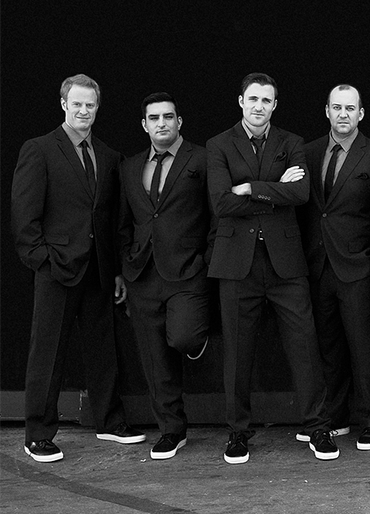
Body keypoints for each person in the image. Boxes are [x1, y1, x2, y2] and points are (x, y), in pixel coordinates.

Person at [12, 74, 144, 463]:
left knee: (104, 350)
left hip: (99, 271)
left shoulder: (108, 155)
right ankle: (38, 434)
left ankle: (109, 421)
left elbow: (112, 219)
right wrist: (43, 260)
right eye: (77, 104)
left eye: (90, 105)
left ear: (97, 108)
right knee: (47, 353)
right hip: (56, 269)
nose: (83, 111)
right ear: (63, 104)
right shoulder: (39, 149)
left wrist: (116, 270)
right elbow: (24, 218)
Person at [207, 72, 336, 464]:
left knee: (305, 346)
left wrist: (250, 187)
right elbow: (221, 203)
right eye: (253, 99)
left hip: (286, 263)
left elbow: (300, 192)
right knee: (237, 353)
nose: (259, 106)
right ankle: (237, 433)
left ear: (275, 105)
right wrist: (274, 187)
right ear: (241, 101)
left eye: (266, 100)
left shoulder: (291, 142)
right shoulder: (218, 144)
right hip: (237, 264)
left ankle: (317, 427)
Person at [299, 84, 370, 451]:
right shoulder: (307, 153)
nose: (343, 114)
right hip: (318, 266)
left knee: (365, 347)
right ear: (327, 111)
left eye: (350, 108)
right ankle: (335, 418)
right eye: (337, 107)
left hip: (358, 268)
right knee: (327, 348)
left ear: (361, 114)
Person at [118, 92, 211, 460]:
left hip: (187, 271)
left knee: (184, 335)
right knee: (154, 359)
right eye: (154, 118)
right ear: (144, 125)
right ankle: (172, 430)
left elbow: (216, 215)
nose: (162, 123)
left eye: (168, 117)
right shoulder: (129, 166)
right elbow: (123, 221)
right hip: (142, 272)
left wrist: (206, 260)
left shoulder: (201, 159)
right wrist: (124, 265)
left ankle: (199, 335)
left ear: (179, 121)